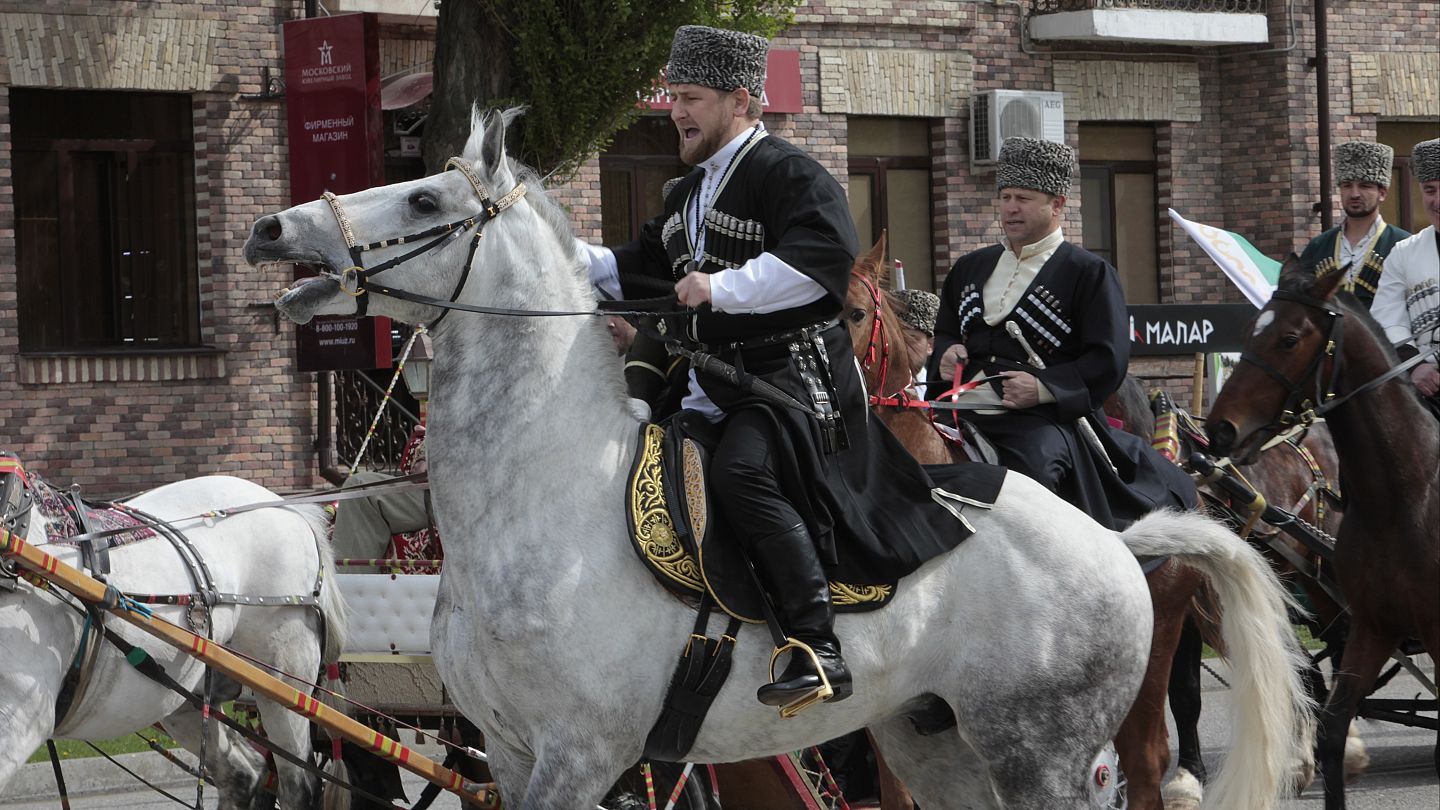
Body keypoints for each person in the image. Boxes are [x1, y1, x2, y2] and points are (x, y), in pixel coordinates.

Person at [576, 25, 995, 710]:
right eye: (675, 97)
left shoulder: (790, 173)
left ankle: (817, 646)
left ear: (741, 100)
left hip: (794, 389)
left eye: (691, 98)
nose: (675, 111)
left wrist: (721, 288)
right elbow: (630, 268)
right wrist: (539, 245)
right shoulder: (686, 195)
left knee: (741, 472)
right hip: (715, 388)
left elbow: (821, 261)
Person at [926, 137, 1194, 530]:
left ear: (1057, 205)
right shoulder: (970, 267)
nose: (1011, 207)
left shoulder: (1088, 272)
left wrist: (1043, 388)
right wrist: (945, 353)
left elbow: (1107, 359)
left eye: (1024, 198)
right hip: (960, 406)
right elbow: (946, 330)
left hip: (1041, 417)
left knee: (1036, 464)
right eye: (1006, 197)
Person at [1370, 137, 1440, 417]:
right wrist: (1416, 366)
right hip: (1426, 392)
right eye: (1430, 190)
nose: (1437, 201)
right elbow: (1386, 319)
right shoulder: (1403, 252)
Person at [1299, 141, 1411, 307]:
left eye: (1364, 186)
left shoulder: (1404, 244)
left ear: (1382, 193)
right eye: (1347, 186)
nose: (1354, 194)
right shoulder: (1318, 247)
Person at [887, 288, 940, 397]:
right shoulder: (872, 392)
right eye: (896, 338)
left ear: (930, 345)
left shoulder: (942, 391)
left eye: (912, 338)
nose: (902, 346)